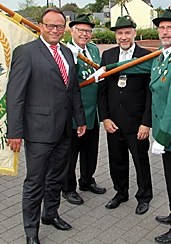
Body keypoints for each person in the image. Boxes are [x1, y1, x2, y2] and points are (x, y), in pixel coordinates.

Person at [101, 9, 171, 243]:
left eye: (170, 27)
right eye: (162, 27)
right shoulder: (162, 55)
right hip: (166, 131)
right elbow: (135, 66)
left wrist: (162, 136)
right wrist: (105, 70)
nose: (165, 31)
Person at [6, 8, 86, 244]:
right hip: (38, 130)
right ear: (40, 26)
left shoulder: (68, 53)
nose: (54, 30)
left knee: (57, 177)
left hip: (64, 129)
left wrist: (79, 119)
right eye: (50, 25)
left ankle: (50, 214)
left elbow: (73, 90)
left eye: (59, 26)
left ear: (65, 28)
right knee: (35, 182)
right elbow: (15, 95)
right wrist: (14, 131)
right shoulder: (26, 53)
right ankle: (31, 231)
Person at [98, 15, 153, 215]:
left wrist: (146, 123)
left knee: (141, 161)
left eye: (127, 32)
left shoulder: (146, 56)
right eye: (120, 33)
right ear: (115, 35)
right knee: (116, 160)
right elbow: (102, 89)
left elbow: (150, 92)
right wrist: (104, 117)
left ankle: (144, 196)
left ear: (134, 33)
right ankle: (120, 193)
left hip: (136, 122)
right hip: (113, 121)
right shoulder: (109, 56)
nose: (123, 37)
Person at [62, 13, 106, 206]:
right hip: (73, 113)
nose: (85, 34)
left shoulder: (94, 50)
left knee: (90, 151)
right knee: (71, 154)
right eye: (81, 30)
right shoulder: (65, 51)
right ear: (72, 30)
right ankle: (68, 188)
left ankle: (87, 180)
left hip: (92, 112)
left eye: (88, 31)